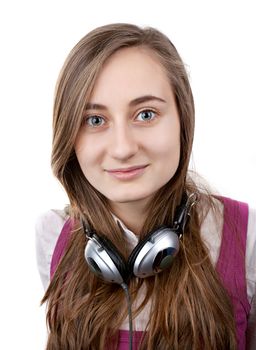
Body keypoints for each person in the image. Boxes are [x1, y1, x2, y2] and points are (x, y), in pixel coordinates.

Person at [36, 23, 256, 350]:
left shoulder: (246, 234)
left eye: (146, 114)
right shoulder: (53, 235)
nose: (123, 148)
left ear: (183, 119)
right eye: (95, 120)